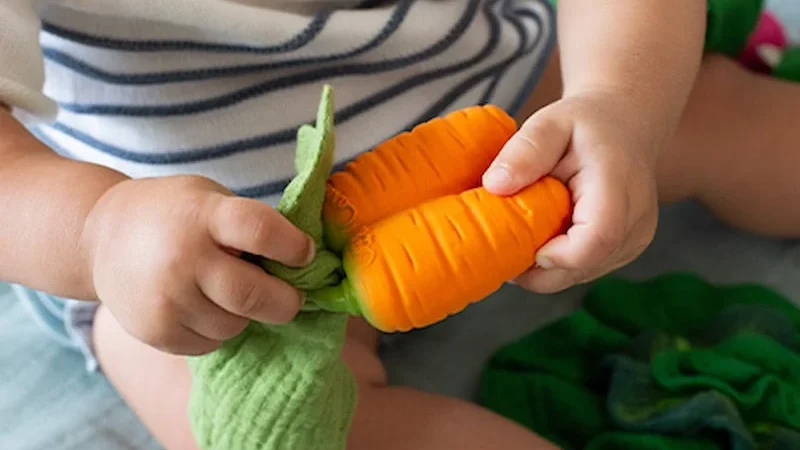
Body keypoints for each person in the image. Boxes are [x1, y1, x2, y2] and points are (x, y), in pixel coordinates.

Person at [6, 0, 792, 448]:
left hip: (491, 94)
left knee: (710, 115)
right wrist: (99, 232)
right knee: (270, 435)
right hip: (192, 245)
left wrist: (622, 101)